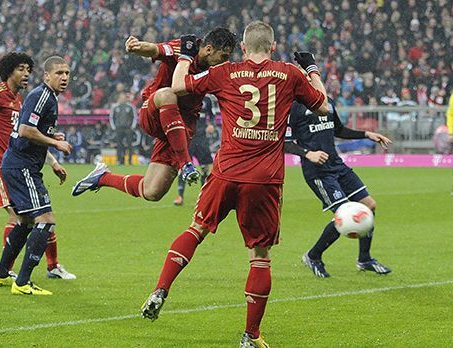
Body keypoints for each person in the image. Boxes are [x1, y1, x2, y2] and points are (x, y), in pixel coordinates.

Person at [140, 22, 329, 348]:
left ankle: (161, 289)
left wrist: (185, 55)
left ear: (242, 47)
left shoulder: (226, 72)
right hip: (265, 179)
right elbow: (323, 105)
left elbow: (178, 85)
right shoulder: (289, 74)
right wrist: (311, 68)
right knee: (260, 254)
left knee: (196, 229)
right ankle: (250, 336)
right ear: (272, 46)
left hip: (226, 171)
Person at [71, 28, 236, 201]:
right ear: (208, 49)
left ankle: (102, 177)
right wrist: (136, 47)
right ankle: (186, 163)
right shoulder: (185, 48)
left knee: (152, 192)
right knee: (168, 93)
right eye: (223, 56)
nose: (225, 61)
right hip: (155, 110)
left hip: (181, 127)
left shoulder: (217, 70)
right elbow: (155, 49)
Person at [0, 52, 75, 281]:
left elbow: (29, 135)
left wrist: (53, 161)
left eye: (29, 69)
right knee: (24, 218)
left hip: (19, 164)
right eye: (21, 69)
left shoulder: (21, 100)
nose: (27, 73)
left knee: (38, 217)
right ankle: (7, 270)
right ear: (9, 71)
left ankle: (48, 266)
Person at [0, 56, 74, 295]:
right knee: (46, 220)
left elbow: (33, 130)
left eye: (67, 73)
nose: (64, 77)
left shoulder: (48, 98)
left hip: (19, 165)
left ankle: (1, 274)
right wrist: (55, 145)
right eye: (59, 73)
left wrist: (51, 144)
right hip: (22, 167)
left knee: (25, 222)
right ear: (47, 76)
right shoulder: (42, 95)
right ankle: (23, 282)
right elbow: (25, 130)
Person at [285, 97, 392, 278]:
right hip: (318, 172)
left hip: (337, 165)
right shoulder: (294, 107)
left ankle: (364, 259)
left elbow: (339, 130)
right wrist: (307, 154)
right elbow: (284, 141)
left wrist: (366, 134)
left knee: (369, 205)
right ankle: (313, 256)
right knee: (344, 213)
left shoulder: (327, 101)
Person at [173, 95, 216, 206]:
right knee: (184, 166)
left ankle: (203, 197)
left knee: (206, 167)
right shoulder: (184, 96)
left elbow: (212, 114)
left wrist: (211, 124)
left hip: (201, 137)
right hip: (187, 137)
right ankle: (180, 196)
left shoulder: (207, 99)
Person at [109, 93, 137, 165]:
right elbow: (111, 117)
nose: (123, 99)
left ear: (126, 98)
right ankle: (120, 160)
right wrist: (114, 127)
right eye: (121, 97)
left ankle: (130, 161)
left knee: (129, 145)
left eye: (124, 97)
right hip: (119, 128)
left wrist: (133, 126)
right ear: (119, 98)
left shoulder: (130, 107)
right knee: (119, 145)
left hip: (128, 128)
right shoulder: (115, 107)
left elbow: (135, 117)